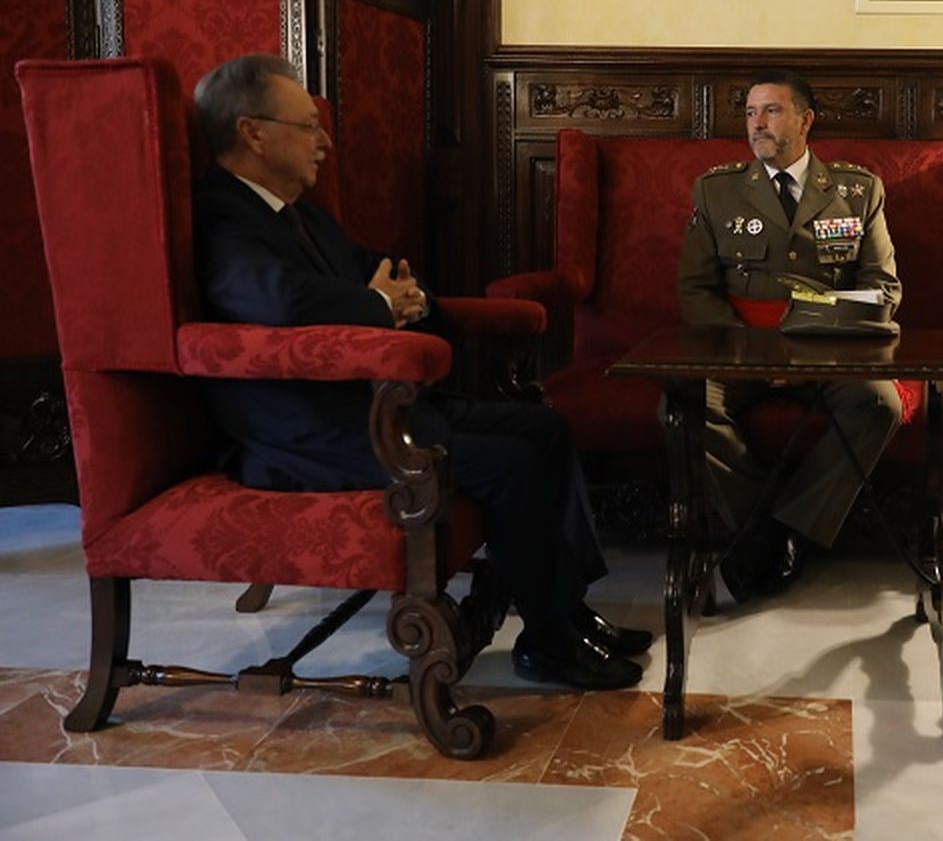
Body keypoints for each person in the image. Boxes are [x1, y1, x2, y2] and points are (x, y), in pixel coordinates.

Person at [190, 53, 651, 691]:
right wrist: (380, 304)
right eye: (307, 125)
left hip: (373, 408)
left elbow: (377, 266)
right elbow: (274, 299)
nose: (323, 139)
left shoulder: (295, 208)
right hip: (306, 431)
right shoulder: (221, 212)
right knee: (512, 463)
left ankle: (566, 611)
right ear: (253, 132)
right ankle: (547, 643)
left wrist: (407, 297)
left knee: (544, 428)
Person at [675, 69, 903, 601]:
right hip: (739, 350)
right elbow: (695, 289)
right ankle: (764, 527)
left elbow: (881, 287)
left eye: (772, 111)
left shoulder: (857, 190)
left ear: (805, 120)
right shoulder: (717, 191)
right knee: (682, 403)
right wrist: (752, 354)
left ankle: (783, 529)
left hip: (830, 351)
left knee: (879, 405)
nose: (758, 124)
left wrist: (813, 345)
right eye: (751, 113)